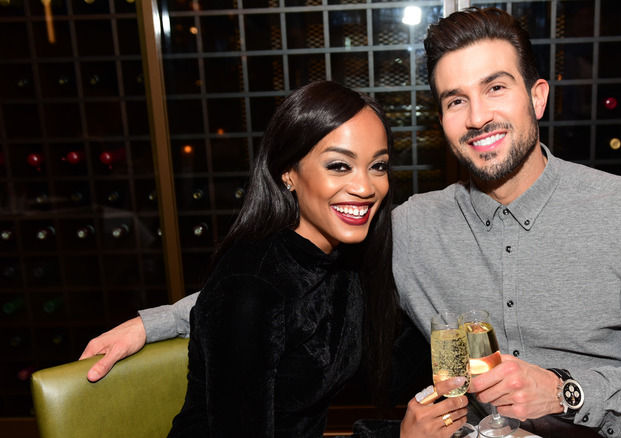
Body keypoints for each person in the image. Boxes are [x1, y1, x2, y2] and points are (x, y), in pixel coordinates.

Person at [81, 8, 621, 438]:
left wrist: (567, 392)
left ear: (537, 96)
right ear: (441, 118)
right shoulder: (408, 227)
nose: (477, 116)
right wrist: (151, 322)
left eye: (496, 89)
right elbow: (285, 289)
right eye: (455, 100)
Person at [120, 80, 468, 437]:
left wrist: (453, 318)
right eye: (339, 166)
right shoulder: (250, 286)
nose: (365, 187)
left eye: (377, 166)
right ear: (288, 172)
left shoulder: (340, 263)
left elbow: (382, 376)